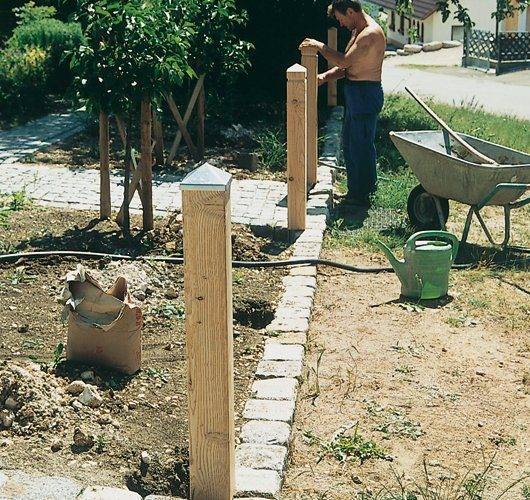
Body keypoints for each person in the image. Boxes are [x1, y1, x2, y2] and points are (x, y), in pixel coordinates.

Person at [300, 0, 386, 206]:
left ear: (350, 11)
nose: (341, 24)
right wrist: (323, 77)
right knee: (352, 143)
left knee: (360, 145)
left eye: (341, 19)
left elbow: (345, 61)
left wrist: (319, 46)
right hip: (358, 93)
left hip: (365, 93)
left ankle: (360, 196)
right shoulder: (359, 30)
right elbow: (349, 67)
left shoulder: (369, 34)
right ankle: (360, 190)